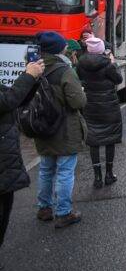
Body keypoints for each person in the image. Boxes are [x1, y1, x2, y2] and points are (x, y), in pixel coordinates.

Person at [33, 31, 87, 229]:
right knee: (65, 171)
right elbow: (78, 101)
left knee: (46, 169)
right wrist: (81, 92)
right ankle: (63, 212)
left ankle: (44, 208)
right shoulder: (64, 70)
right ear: (57, 49)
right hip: (65, 129)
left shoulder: (33, 68)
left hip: (42, 127)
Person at [0, 59, 44, 271]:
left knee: (3, 217)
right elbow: (6, 101)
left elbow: (13, 101)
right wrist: (28, 76)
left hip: (4, 163)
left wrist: (33, 79)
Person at [77, 37, 123, 188]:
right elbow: (118, 79)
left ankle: (97, 177)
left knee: (94, 141)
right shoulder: (108, 64)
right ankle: (109, 174)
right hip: (109, 107)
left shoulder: (81, 64)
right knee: (110, 140)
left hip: (90, 106)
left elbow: (80, 80)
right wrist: (113, 62)